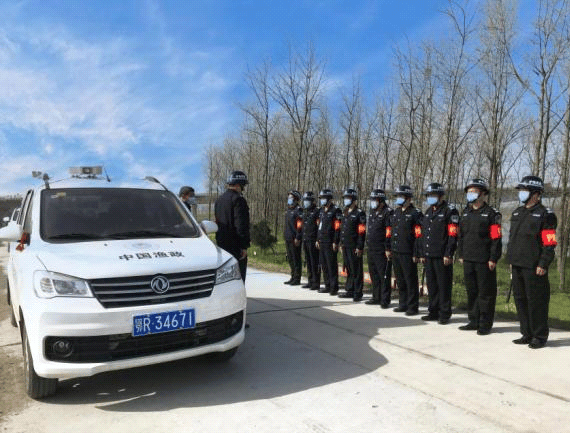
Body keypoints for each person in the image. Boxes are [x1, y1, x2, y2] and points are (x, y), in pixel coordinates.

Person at [505, 175, 557, 349]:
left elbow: (549, 242)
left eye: (524, 190)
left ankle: (539, 336)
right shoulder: (517, 212)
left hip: (534, 266)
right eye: (521, 190)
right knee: (520, 300)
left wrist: (543, 263)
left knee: (536, 302)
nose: (521, 193)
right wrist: (510, 259)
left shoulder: (546, 215)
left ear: (536, 194)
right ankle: (526, 333)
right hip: (517, 264)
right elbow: (512, 239)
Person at [457, 179, 502, 335]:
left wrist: (493, 258)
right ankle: (473, 320)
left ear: (483, 194)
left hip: (484, 260)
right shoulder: (466, 212)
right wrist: (461, 254)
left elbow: (496, 238)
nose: (470, 194)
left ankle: (485, 323)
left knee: (485, 293)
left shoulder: (491, 214)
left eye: (474, 191)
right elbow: (461, 236)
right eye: (469, 191)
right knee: (472, 292)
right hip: (468, 258)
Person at [419, 183, 459, 324]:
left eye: (433, 195)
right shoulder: (428, 212)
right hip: (429, 254)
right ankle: (433, 311)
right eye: (429, 195)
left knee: (443, 286)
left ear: (441, 196)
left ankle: (444, 313)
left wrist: (449, 253)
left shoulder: (450, 211)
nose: (430, 198)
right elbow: (424, 234)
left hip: (442, 256)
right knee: (432, 285)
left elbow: (453, 235)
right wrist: (422, 253)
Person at [386, 185, 423, 315]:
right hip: (396, 250)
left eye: (401, 196)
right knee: (400, 279)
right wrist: (388, 248)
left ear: (408, 198)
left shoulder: (415, 213)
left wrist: (417, 252)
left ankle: (412, 306)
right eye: (397, 196)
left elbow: (419, 235)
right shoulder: (396, 212)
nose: (398, 199)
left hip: (408, 252)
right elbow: (390, 232)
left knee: (410, 280)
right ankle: (403, 304)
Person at [214, 171, 250, 282]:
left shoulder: (219, 200)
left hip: (222, 245)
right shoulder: (238, 200)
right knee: (238, 278)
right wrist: (243, 246)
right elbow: (241, 225)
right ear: (238, 185)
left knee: (224, 279)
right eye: (243, 186)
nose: (243, 189)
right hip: (235, 246)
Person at [365, 189, 393, 308]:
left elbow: (389, 231)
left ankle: (385, 299)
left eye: (375, 200)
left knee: (383, 275)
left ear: (381, 201)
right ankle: (376, 296)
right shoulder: (372, 212)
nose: (373, 202)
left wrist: (388, 247)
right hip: (371, 248)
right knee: (374, 274)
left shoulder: (388, 212)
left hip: (382, 249)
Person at [338, 189, 367, 301]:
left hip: (354, 246)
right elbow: (342, 229)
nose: (346, 200)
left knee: (356, 270)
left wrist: (360, 246)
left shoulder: (359, 213)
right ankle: (350, 290)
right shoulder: (345, 212)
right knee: (349, 269)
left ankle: (357, 292)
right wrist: (341, 243)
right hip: (345, 245)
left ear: (354, 200)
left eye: (348, 198)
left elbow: (361, 231)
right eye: (345, 198)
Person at [316, 188, 342, 295]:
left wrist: (336, 241)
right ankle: (327, 285)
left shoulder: (335, 210)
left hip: (330, 242)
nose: (322, 200)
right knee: (324, 265)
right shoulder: (321, 211)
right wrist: (318, 239)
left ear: (329, 199)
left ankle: (333, 287)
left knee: (331, 265)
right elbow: (319, 226)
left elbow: (337, 228)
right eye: (321, 198)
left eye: (323, 198)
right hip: (322, 241)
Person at [301, 191, 321, 290]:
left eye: (307, 200)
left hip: (313, 240)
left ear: (312, 201)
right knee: (308, 261)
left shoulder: (317, 212)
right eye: (305, 200)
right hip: (306, 239)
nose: (305, 202)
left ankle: (316, 282)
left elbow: (319, 227)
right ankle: (310, 281)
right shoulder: (305, 212)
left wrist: (318, 239)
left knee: (314, 262)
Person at [284, 190, 303, 286]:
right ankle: (292, 276)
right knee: (290, 258)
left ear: (296, 199)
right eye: (289, 198)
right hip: (288, 237)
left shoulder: (298, 210)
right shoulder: (288, 210)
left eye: (291, 198)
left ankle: (297, 278)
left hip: (294, 238)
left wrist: (298, 237)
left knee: (296, 259)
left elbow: (300, 225)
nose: (289, 199)